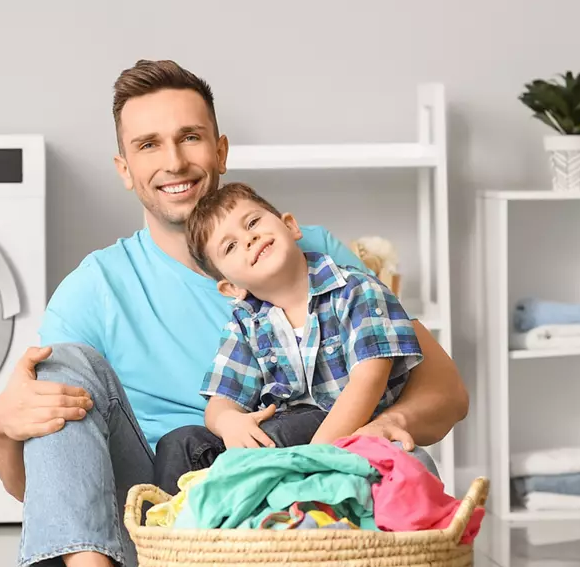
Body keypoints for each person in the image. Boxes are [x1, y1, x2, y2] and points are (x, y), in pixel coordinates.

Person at [0, 60, 468, 567]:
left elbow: (446, 391)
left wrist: (383, 426)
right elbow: (49, 486)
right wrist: (2, 430)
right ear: (124, 168)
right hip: (164, 513)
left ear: (220, 148)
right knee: (65, 369)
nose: (174, 161)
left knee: (412, 468)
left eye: (190, 137)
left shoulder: (310, 252)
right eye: (148, 145)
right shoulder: (93, 289)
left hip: (304, 485)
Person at [150, 181, 428, 497]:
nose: (249, 238)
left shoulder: (356, 290)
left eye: (252, 222)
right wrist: (230, 423)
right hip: (277, 437)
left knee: (279, 432)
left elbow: (369, 381)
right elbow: (221, 401)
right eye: (230, 246)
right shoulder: (247, 322)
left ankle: (244, 514)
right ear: (231, 288)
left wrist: (312, 459)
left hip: (343, 429)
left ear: (290, 226)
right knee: (180, 443)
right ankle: (170, 536)